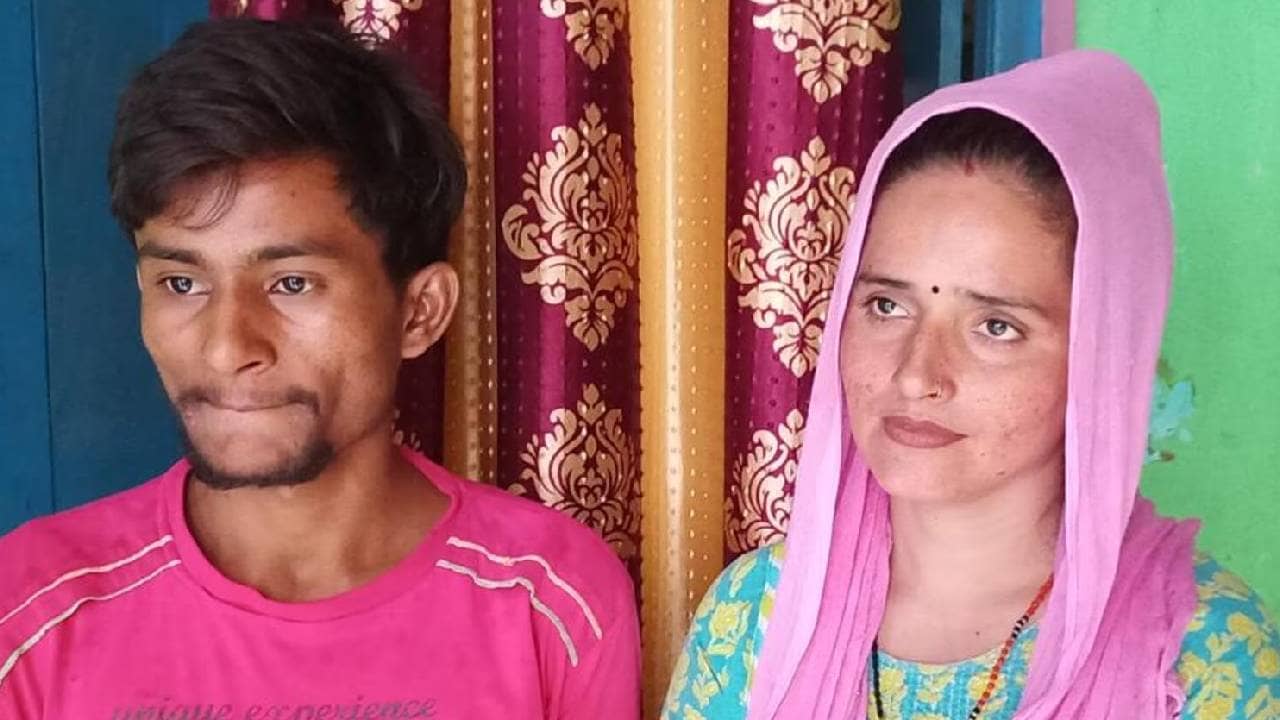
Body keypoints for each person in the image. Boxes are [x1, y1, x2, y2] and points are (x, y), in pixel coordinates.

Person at [0, 19, 639, 719]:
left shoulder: (550, 602)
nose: (226, 347)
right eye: (182, 283)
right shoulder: (28, 610)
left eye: (292, 283)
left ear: (420, 312)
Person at [663, 50, 1280, 719]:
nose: (917, 375)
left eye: (995, 326)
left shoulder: (1201, 654)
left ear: (1103, 355)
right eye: (886, 306)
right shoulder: (756, 618)